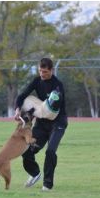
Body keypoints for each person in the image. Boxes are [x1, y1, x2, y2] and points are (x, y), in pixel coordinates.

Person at [14, 57, 68, 191]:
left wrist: (36, 111)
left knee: (50, 151)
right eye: (40, 71)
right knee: (26, 148)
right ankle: (35, 173)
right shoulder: (37, 81)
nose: (42, 74)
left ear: (51, 70)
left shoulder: (57, 85)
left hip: (57, 123)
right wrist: (17, 110)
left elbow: (53, 112)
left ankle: (47, 185)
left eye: (45, 72)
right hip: (42, 124)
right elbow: (22, 96)